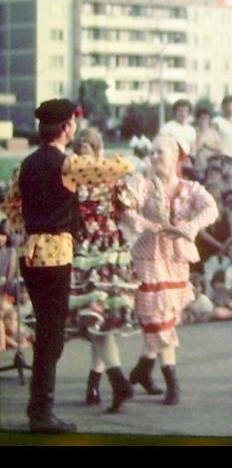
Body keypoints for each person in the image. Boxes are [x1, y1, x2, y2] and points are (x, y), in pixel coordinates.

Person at [0, 99, 134, 432]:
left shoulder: (25, 164)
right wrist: (111, 160)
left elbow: (11, 203)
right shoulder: (68, 165)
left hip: (30, 253)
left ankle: (40, 408)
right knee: (51, 336)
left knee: (46, 331)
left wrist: (22, 227)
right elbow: (120, 168)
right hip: (57, 253)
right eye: (72, 123)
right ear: (66, 128)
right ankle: (41, 412)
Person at [123, 135, 218, 406]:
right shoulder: (143, 184)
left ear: (176, 157)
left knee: (168, 315)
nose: (154, 158)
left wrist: (191, 227)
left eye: (160, 153)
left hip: (176, 256)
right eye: (151, 153)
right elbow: (125, 211)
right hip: (149, 255)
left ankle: (142, 369)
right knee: (157, 314)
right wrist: (150, 226)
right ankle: (172, 381)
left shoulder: (189, 188)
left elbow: (211, 209)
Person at [68, 128, 139, 414]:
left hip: (104, 254)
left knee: (96, 318)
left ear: (98, 150)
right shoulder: (74, 179)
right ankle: (110, 381)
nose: (85, 154)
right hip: (84, 252)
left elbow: (130, 209)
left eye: (89, 149)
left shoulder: (111, 174)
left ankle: (113, 382)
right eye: (80, 150)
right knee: (93, 320)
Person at [193, 107, 222, 174]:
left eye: (206, 118)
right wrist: (202, 134)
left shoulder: (213, 132)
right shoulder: (193, 131)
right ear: (197, 119)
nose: (204, 120)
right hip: (199, 165)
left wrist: (206, 145)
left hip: (212, 165)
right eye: (202, 118)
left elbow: (219, 148)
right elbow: (196, 147)